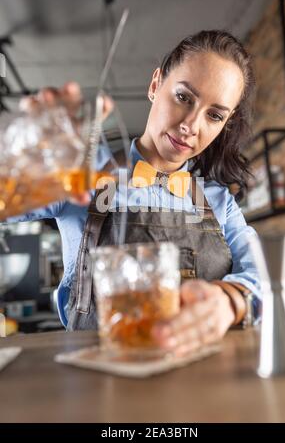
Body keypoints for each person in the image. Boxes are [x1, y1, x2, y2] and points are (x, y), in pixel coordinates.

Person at [7, 30, 261, 357]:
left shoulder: (218, 201)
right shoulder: (82, 172)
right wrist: (19, 151)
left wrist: (231, 300)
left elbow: (263, 274)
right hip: (97, 381)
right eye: (184, 97)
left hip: (201, 388)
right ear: (156, 85)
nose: (191, 125)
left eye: (214, 115)